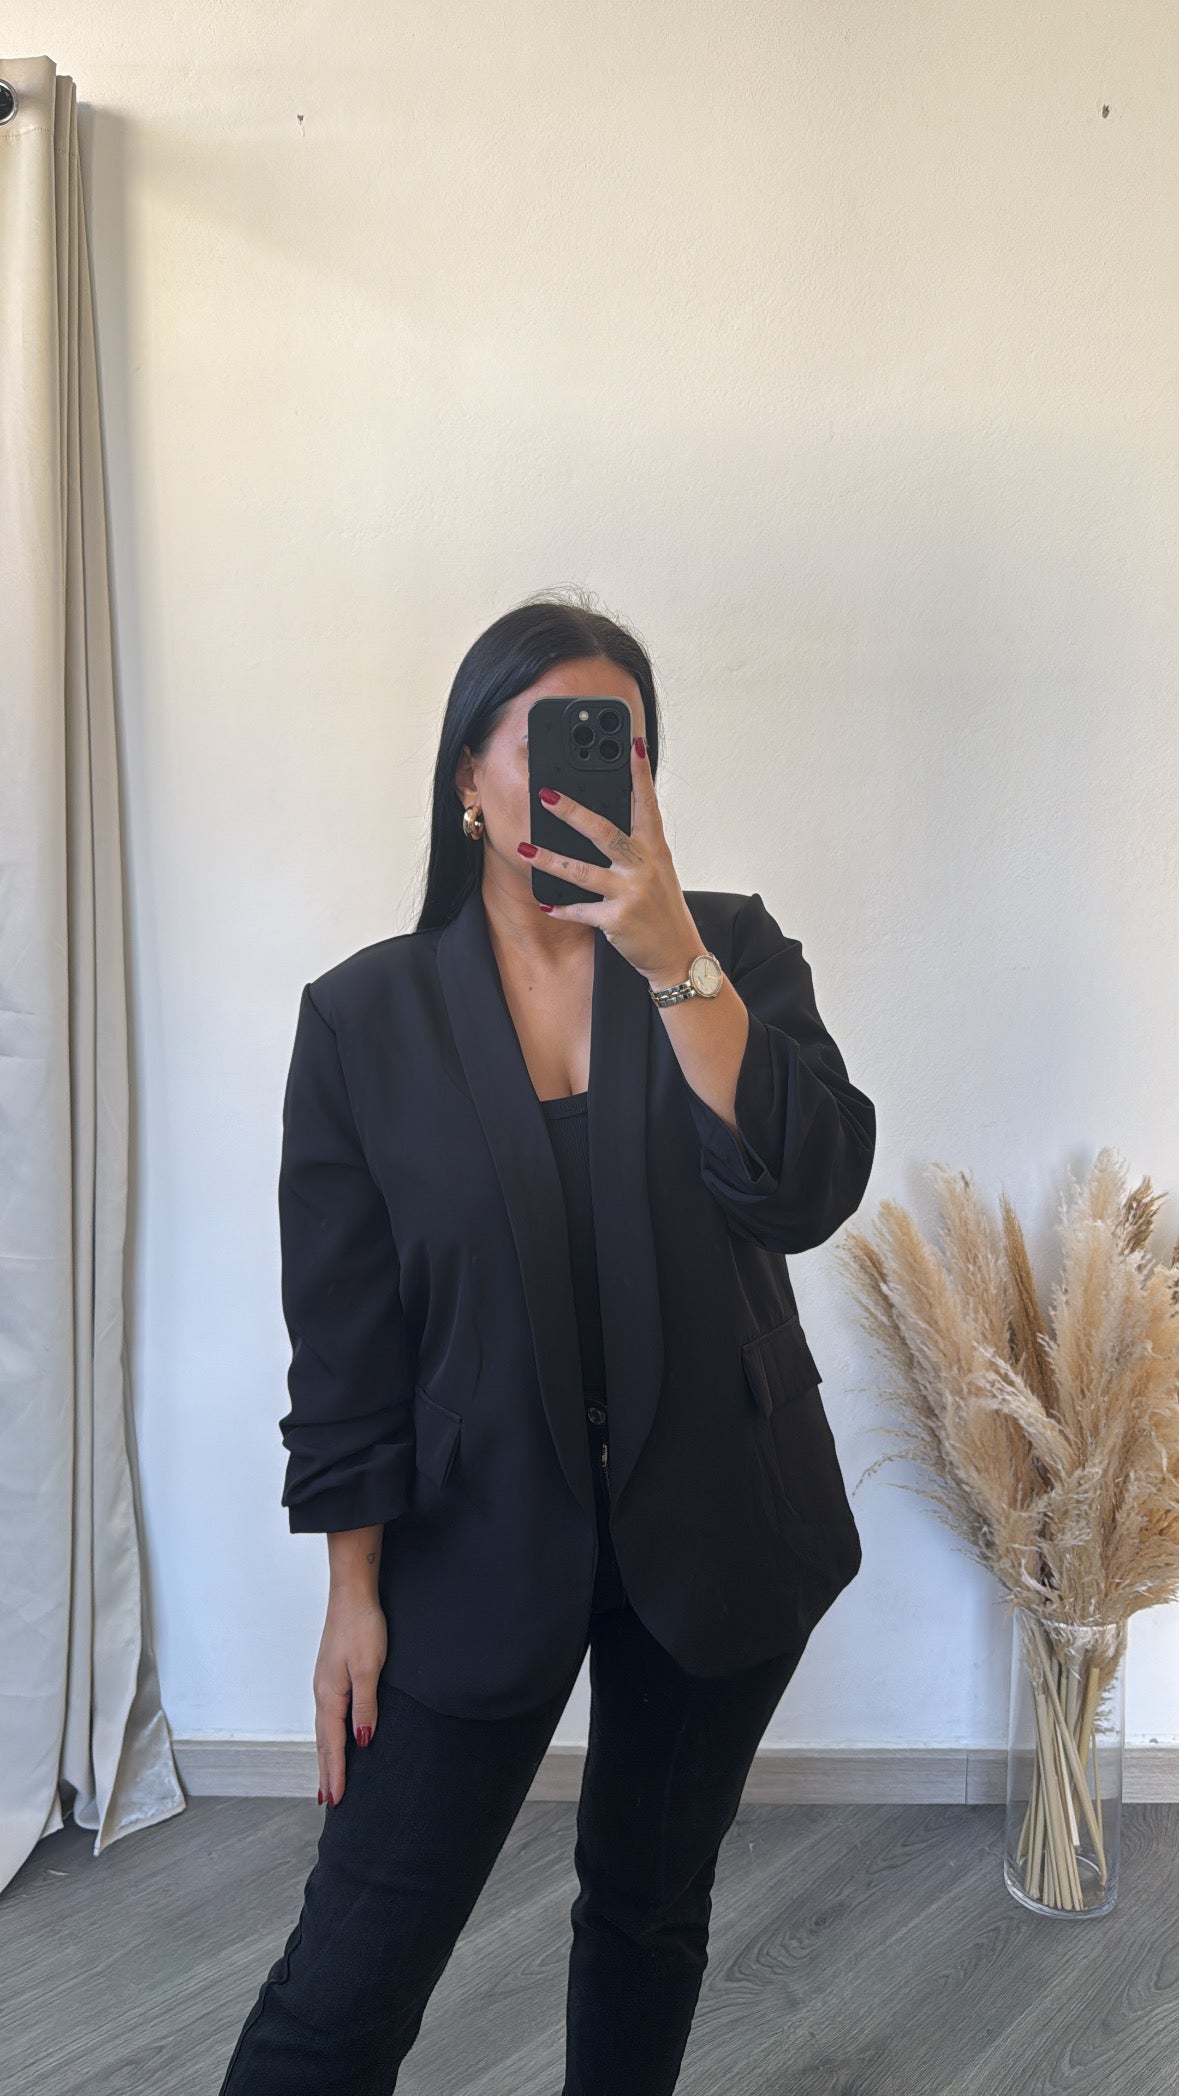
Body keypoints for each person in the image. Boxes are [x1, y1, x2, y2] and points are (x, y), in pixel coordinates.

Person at [217, 592, 876, 2095]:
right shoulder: (365, 1020)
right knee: (347, 1981)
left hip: (719, 1527)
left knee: (649, 1914)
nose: (588, 776)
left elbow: (808, 1188)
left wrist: (672, 954)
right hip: (473, 1539)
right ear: (468, 775)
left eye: (621, 747)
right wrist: (352, 1591)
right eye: (551, 739)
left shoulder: (728, 950)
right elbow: (346, 1341)